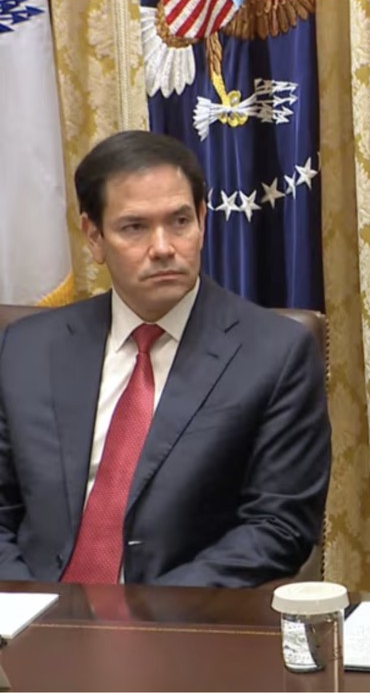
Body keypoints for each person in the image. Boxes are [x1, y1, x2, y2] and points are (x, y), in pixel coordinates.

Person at [0, 131, 331, 587]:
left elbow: (278, 527)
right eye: (134, 227)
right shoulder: (27, 348)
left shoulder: (275, 354)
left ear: (202, 220)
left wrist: (143, 611)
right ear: (94, 237)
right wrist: (25, 603)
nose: (162, 247)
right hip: (32, 612)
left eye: (179, 221)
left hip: (180, 615)